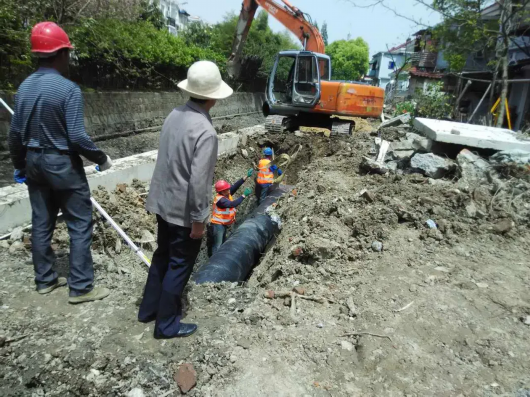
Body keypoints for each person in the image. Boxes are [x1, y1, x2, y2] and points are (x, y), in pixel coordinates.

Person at [8, 22, 112, 303]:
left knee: (41, 222)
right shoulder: (68, 90)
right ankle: (81, 287)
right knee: (79, 224)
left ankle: (45, 280)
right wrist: (101, 158)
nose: (69, 58)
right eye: (67, 52)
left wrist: (19, 165)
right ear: (59, 53)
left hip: (33, 162)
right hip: (62, 164)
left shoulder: (24, 87)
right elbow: (77, 136)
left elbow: (15, 134)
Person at [138, 60, 233, 339]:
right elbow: (199, 182)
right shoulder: (205, 131)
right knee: (179, 266)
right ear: (213, 97)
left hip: (163, 204)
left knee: (161, 257)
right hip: (183, 212)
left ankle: (148, 311)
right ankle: (166, 325)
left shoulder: (174, 115)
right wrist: (199, 221)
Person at [208, 170, 253, 256]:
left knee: (222, 243)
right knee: (218, 245)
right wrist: (243, 195)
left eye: (228, 188)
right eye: (227, 189)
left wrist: (246, 177)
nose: (229, 189)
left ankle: (220, 258)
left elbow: (235, 186)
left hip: (223, 223)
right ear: (221, 191)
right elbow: (233, 204)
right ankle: (214, 261)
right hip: (218, 225)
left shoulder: (226, 193)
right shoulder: (221, 200)